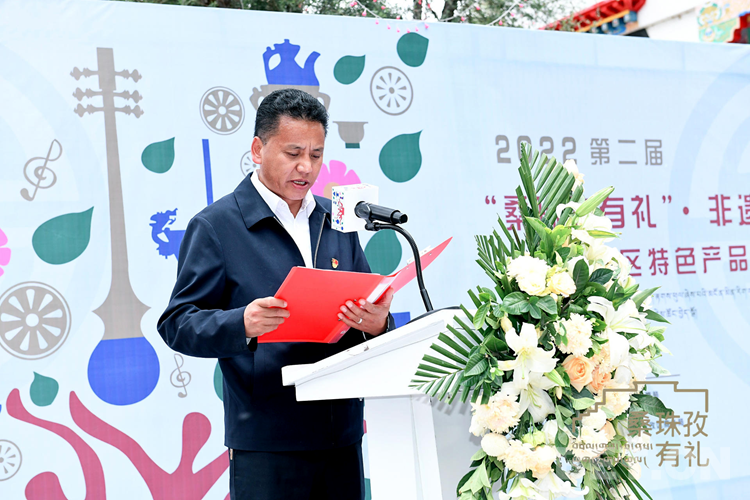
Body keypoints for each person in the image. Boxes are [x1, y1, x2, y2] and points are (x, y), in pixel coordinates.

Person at [157, 88, 395, 500]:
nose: (306, 167)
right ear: (257, 149)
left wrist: (377, 325)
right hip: (267, 440)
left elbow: (364, 300)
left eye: (316, 155)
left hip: (340, 434)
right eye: (293, 153)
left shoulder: (337, 220)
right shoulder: (217, 226)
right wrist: (242, 323)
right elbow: (177, 323)